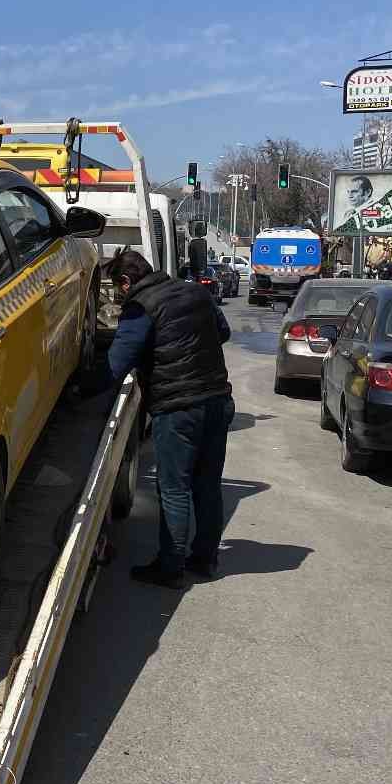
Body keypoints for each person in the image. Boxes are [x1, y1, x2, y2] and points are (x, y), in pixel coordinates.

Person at [95, 250, 234, 590]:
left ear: (127, 282)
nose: (120, 295)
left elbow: (116, 364)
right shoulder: (195, 291)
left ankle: (170, 567)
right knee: (207, 485)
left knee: (173, 488)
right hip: (217, 400)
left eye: (118, 289)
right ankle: (204, 559)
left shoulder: (140, 306)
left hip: (178, 408)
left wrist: (78, 387)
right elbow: (224, 332)